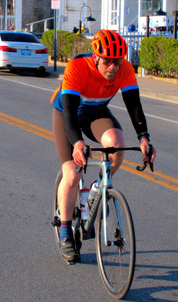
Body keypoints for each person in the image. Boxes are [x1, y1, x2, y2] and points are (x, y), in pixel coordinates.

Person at [50, 30, 157, 263]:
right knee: (72, 170)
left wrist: (144, 138)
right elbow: (69, 110)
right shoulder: (77, 67)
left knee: (117, 144)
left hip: (95, 113)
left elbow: (134, 106)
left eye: (117, 61)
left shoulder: (125, 69)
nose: (113, 66)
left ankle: (99, 187)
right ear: (96, 57)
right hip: (68, 115)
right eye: (107, 61)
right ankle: (66, 232)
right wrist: (78, 143)